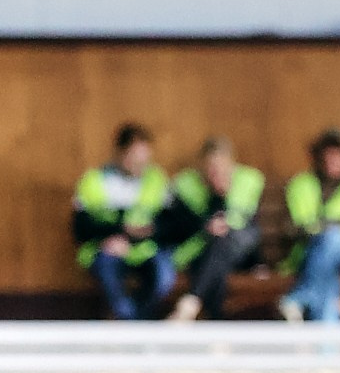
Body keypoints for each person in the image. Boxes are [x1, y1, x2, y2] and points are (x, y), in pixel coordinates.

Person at [158, 136, 265, 322]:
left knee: (223, 242)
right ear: (202, 166)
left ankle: (191, 302)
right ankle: (215, 324)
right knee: (217, 260)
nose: (216, 172)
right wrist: (207, 221)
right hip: (197, 252)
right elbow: (180, 226)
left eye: (222, 166)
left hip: (238, 251)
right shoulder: (185, 184)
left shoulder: (248, 181)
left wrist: (222, 196)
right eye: (211, 167)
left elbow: (246, 223)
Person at [72, 122, 172, 318]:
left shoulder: (155, 179)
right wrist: (113, 234)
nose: (141, 165)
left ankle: (137, 324)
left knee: (164, 277)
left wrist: (149, 232)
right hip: (106, 249)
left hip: (146, 249)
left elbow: (171, 224)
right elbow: (80, 227)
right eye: (135, 158)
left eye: (145, 159)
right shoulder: (94, 181)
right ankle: (129, 324)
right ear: (120, 152)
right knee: (112, 283)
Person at [280, 129, 340, 323]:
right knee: (328, 280)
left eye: (338, 156)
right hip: (310, 253)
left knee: (331, 239)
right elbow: (292, 228)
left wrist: (324, 226)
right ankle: (327, 349)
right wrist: (331, 224)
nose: (332, 162)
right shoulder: (301, 184)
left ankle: (299, 296)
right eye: (328, 156)